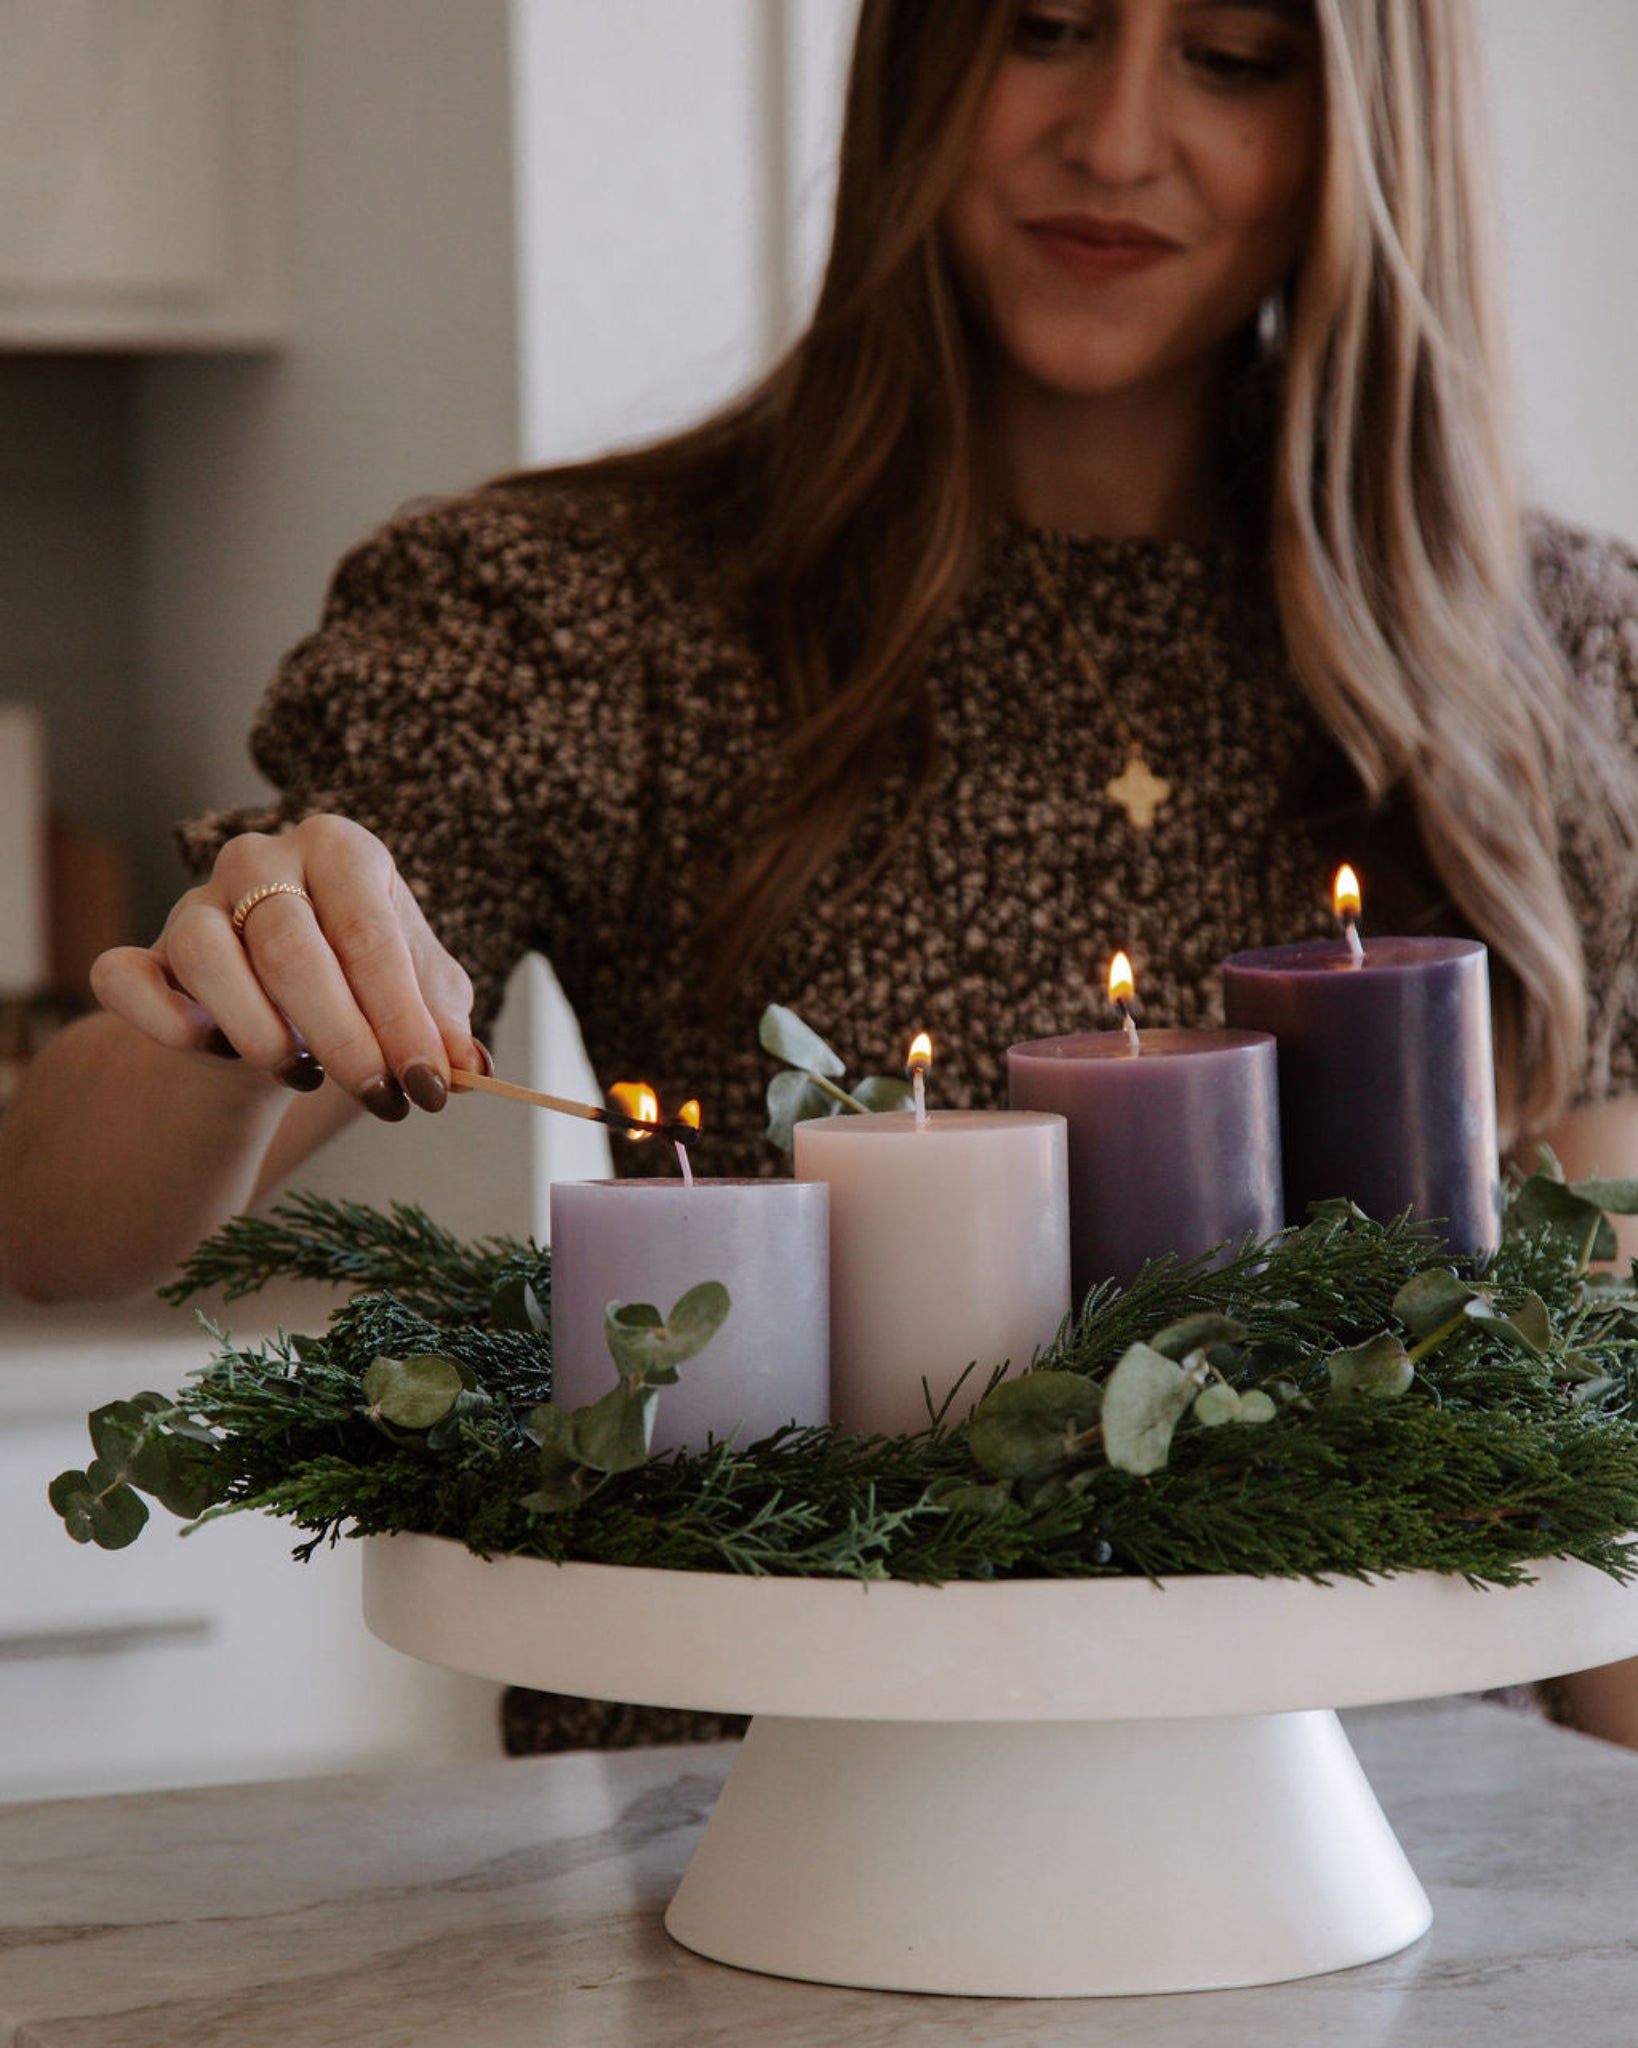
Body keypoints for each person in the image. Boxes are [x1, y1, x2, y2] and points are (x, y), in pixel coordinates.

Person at [5, 0, 1638, 1742]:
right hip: (741, 1851)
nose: (1115, 137)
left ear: (1358, 133)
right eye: (1048, 28)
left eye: (1230, 58)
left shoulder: (1547, 661)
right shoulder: (585, 618)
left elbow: (1602, 1451)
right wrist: (240, 983)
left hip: (1386, 1886)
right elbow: (55, 1224)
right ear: (916, 68)